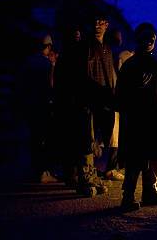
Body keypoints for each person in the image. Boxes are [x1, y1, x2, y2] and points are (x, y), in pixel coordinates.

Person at [117, 23, 157, 212]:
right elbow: (120, 94)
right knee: (136, 157)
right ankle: (127, 197)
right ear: (138, 39)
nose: (150, 40)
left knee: (154, 155)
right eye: (146, 36)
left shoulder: (155, 64)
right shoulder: (130, 65)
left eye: (152, 37)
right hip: (136, 119)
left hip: (154, 117)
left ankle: (149, 192)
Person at [54, 26, 106, 196]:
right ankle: (84, 179)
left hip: (79, 103)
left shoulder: (72, 56)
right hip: (75, 104)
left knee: (83, 140)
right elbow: (80, 81)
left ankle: (83, 176)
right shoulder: (69, 58)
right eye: (73, 36)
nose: (77, 38)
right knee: (83, 142)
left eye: (78, 36)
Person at [16, 34, 59, 184]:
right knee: (44, 139)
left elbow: (20, 85)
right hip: (43, 105)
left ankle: (35, 170)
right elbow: (51, 85)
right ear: (48, 47)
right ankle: (43, 172)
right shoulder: (47, 64)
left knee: (34, 139)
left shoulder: (27, 62)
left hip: (29, 105)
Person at [88, 15, 123, 181]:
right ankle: (87, 172)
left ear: (106, 25)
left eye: (100, 22)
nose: (97, 26)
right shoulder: (88, 47)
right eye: (94, 22)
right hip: (92, 97)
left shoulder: (107, 49)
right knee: (91, 134)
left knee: (113, 133)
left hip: (108, 96)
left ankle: (110, 168)